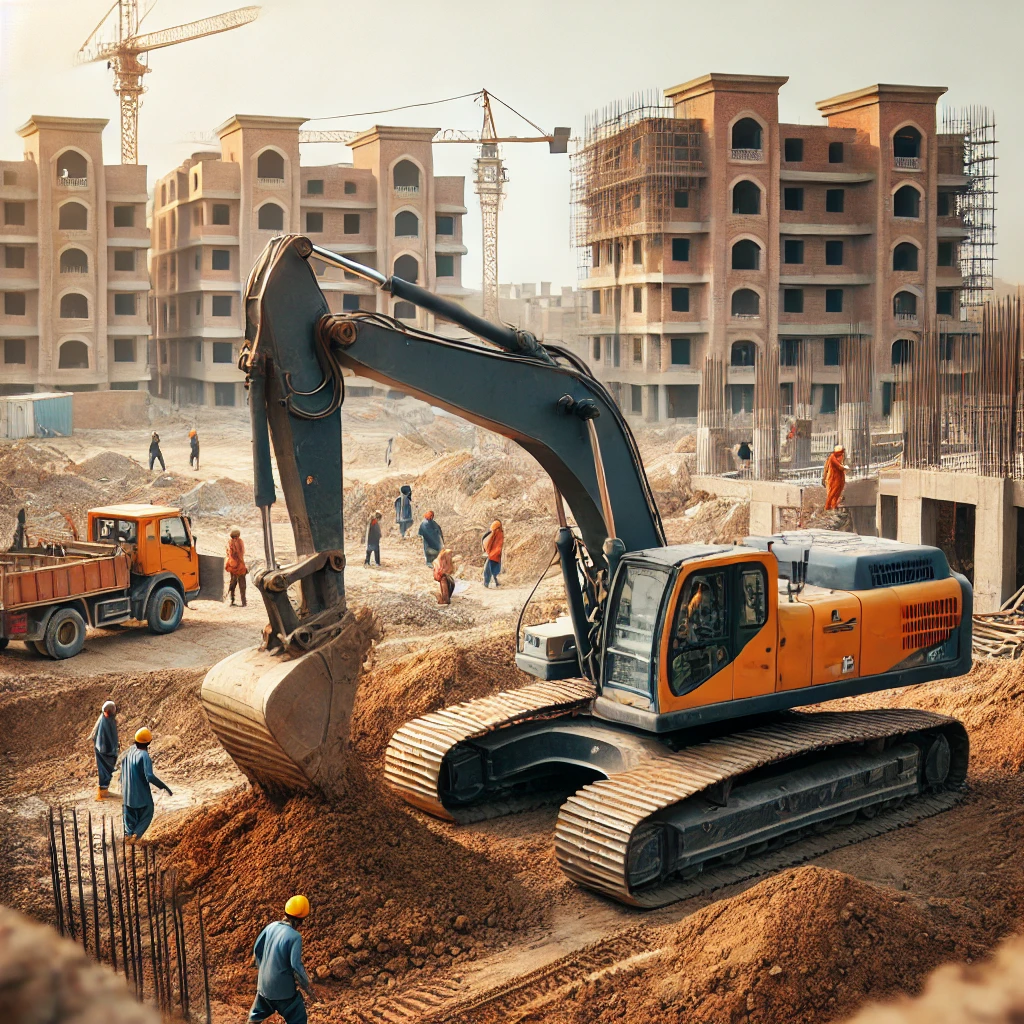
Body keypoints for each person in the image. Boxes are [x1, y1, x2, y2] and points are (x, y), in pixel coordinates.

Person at [248, 896, 319, 1024]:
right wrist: (307, 986)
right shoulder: (295, 937)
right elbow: (296, 966)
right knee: (298, 1017)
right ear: (301, 920)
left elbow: (257, 950)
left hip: (263, 987)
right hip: (283, 992)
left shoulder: (271, 927)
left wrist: (264, 970)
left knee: (255, 1016)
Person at [120, 728, 172, 840]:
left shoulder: (128, 753)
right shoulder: (144, 755)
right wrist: (163, 786)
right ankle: (136, 835)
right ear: (149, 742)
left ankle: (128, 837)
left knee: (129, 820)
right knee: (148, 812)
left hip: (126, 797)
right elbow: (149, 776)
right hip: (141, 797)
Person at [89, 699, 119, 800]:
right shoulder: (106, 722)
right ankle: (102, 792)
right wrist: (111, 751)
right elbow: (105, 738)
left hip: (105, 750)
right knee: (105, 771)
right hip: (104, 751)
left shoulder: (107, 719)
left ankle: (104, 790)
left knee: (107, 771)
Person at [823, 444, 851, 511]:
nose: (842, 456)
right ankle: (827, 507)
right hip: (833, 479)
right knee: (832, 493)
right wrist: (844, 467)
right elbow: (839, 466)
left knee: (837, 494)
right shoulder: (832, 457)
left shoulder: (839, 456)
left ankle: (833, 507)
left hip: (839, 479)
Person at [226, 526, 248, 606]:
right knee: (242, 584)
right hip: (240, 566)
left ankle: (232, 600)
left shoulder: (229, 542)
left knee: (233, 583)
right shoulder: (239, 541)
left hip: (232, 565)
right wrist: (244, 566)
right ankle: (243, 602)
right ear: (238, 535)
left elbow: (228, 553)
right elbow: (240, 553)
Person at [482, 520, 504, 588]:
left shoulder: (497, 533)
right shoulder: (497, 533)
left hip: (494, 555)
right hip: (494, 555)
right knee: (491, 570)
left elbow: (488, 544)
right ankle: (489, 583)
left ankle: (489, 583)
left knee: (490, 570)